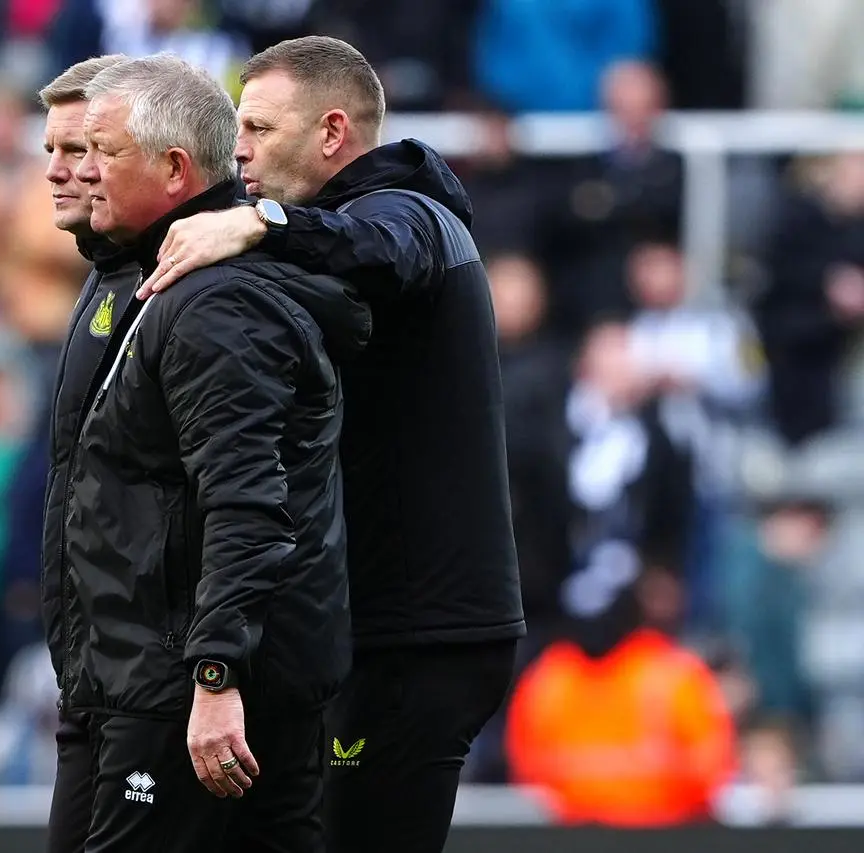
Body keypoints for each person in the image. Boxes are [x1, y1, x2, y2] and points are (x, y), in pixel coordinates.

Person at [140, 36, 526, 853]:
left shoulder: (409, 213)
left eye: (260, 126)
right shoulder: (348, 230)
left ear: (332, 132)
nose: (239, 147)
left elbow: (380, 250)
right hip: (391, 621)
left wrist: (258, 222)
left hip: (418, 629)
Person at [50, 53, 370, 853]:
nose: (79, 171)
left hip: (180, 693)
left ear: (174, 169)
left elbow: (247, 500)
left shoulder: (215, 300)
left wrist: (215, 675)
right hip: (132, 683)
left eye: (101, 151)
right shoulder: (135, 275)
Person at [35, 53, 142, 853]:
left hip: (155, 685)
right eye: (53, 152)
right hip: (96, 675)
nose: (58, 171)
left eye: (80, 151)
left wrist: (211, 675)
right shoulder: (104, 278)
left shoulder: (190, 283)